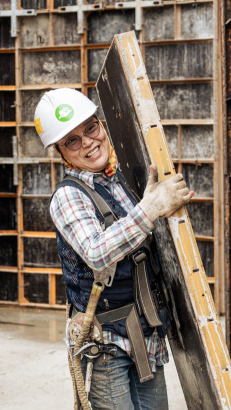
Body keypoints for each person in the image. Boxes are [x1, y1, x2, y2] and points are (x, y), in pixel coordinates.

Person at [34, 88, 193, 409]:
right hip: (105, 344)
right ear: (61, 153)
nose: (88, 143)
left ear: (102, 125)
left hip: (145, 334)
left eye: (90, 128)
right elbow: (96, 252)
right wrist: (151, 208)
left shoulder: (120, 181)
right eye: (72, 141)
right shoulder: (69, 196)